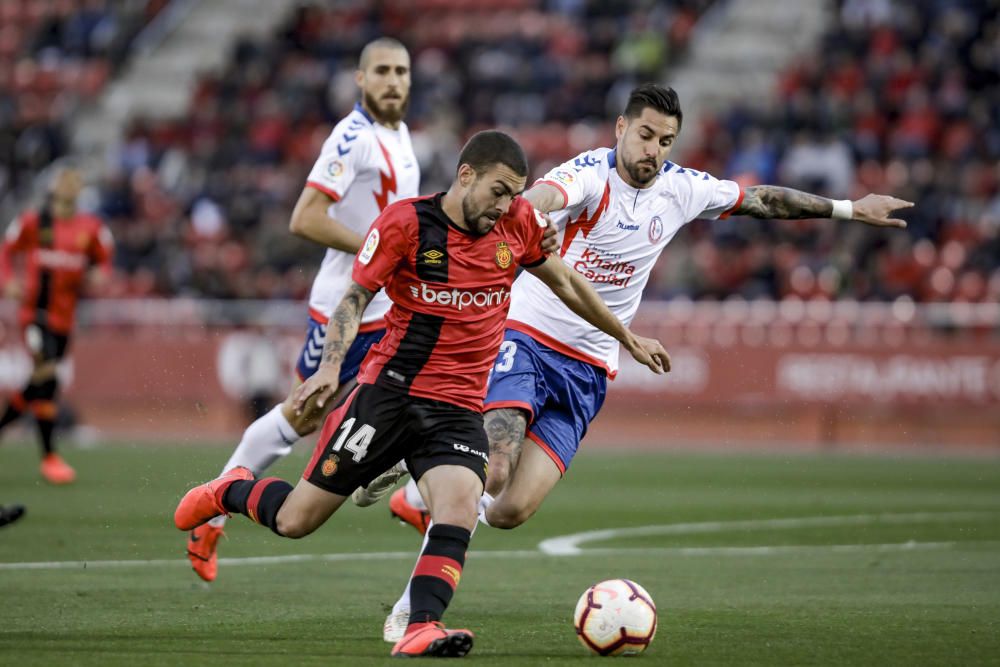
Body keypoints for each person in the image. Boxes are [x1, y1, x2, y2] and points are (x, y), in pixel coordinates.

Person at [358, 83, 914, 642]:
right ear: (622, 129)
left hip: (590, 367)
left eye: (666, 140)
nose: (654, 149)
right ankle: (414, 610)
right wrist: (530, 218)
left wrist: (848, 209)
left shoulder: (682, 188)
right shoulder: (589, 174)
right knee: (495, 466)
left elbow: (761, 200)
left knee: (508, 508)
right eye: (646, 135)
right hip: (526, 334)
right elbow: (547, 195)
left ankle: (419, 484)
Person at [172, 130, 670, 658]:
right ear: (466, 175)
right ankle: (228, 490)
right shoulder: (406, 224)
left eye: (515, 195)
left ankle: (420, 625)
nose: (506, 206)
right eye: (499, 191)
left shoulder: (518, 224)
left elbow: (566, 282)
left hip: (457, 409)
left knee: (458, 508)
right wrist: (329, 367)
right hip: (388, 396)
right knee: (297, 519)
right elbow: (354, 299)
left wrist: (626, 336)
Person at [182, 37, 423, 582]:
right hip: (346, 305)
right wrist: (376, 247)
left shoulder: (401, 134)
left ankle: (413, 496)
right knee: (302, 415)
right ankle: (214, 509)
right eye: (381, 70)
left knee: (423, 394)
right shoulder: (352, 138)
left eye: (401, 71)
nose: (393, 80)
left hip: (391, 302)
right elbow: (305, 217)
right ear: (360, 79)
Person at [0, 165, 114, 484]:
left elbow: (104, 257)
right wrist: (7, 280)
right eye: (63, 179)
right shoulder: (33, 222)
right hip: (35, 314)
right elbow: (6, 251)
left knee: (41, 383)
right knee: (47, 374)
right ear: (53, 186)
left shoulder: (90, 228)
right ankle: (49, 457)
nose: (68, 184)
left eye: (74, 179)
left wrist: (100, 273)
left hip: (65, 319)